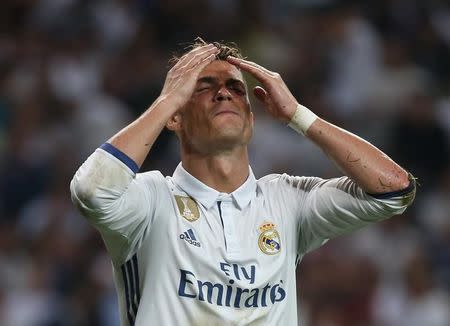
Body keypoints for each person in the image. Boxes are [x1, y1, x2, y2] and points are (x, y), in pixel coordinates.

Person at [70, 39, 416, 326]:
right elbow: (91, 190)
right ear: (175, 116)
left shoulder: (286, 199)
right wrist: (167, 100)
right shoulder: (151, 200)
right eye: (203, 88)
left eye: (236, 88)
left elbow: (394, 189)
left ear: (251, 118)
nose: (224, 94)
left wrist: (298, 116)